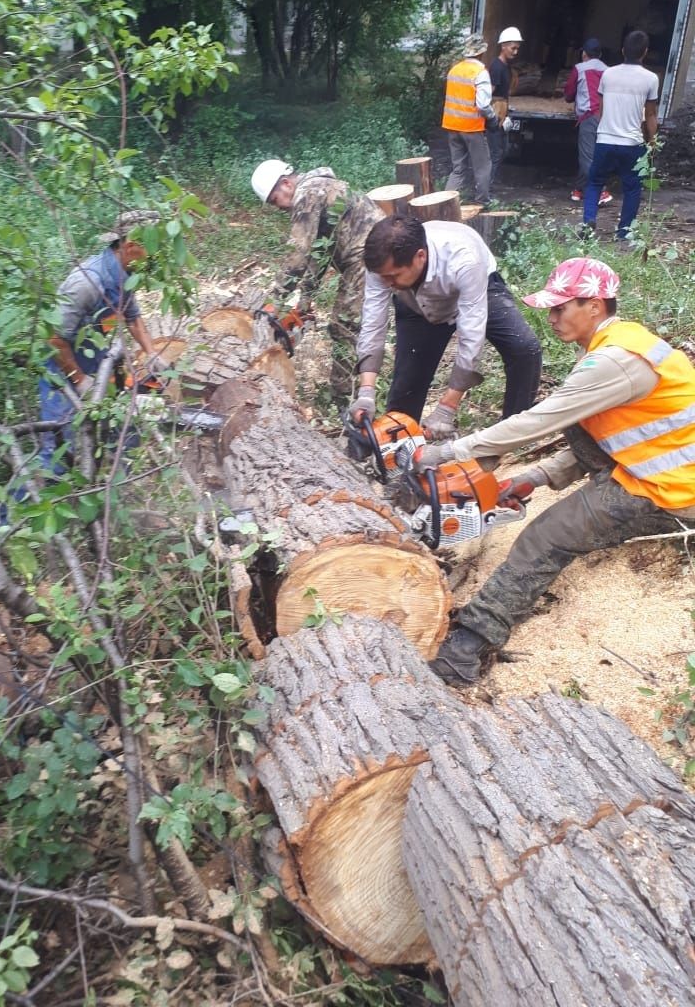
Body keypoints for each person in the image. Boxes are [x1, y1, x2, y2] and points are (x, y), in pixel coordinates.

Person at [416, 256, 695, 685]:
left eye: (560, 308)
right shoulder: (620, 345)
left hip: (672, 490)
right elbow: (606, 435)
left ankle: (467, 648)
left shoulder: (613, 362)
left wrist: (453, 451)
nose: (552, 318)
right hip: (659, 470)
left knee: (547, 536)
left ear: (595, 306)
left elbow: (536, 421)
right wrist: (538, 476)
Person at [349, 215, 542, 440]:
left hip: (476, 290)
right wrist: (366, 391)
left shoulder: (465, 260)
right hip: (416, 304)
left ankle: (510, 434)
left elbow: (472, 334)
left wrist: (447, 408)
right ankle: (397, 450)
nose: (386, 283)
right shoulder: (383, 267)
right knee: (406, 389)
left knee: (524, 348)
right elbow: (373, 322)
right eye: (383, 278)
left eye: (393, 276)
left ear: (420, 257)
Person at [39, 211, 168, 476]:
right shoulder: (87, 283)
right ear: (131, 246)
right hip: (62, 372)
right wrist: (80, 380)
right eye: (152, 247)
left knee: (119, 427)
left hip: (97, 362)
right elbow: (54, 339)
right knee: (61, 449)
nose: (155, 256)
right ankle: (46, 503)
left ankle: (115, 487)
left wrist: (152, 352)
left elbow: (133, 318)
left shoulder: (125, 276)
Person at [251, 159, 384, 405]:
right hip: (368, 252)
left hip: (369, 254)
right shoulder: (320, 188)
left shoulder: (308, 194)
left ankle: (344, 398)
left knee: (344, 325)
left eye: (274, 200)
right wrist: (305, 299)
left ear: (286, 183)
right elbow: (320, 251)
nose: (277, 207)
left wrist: (277, 301)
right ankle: (350, 387)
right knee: (351, 323)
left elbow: (298, 252)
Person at [583, 29, 659, 242]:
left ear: (623, 50)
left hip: (605, 139)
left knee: (595, 182)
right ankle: (624, 232)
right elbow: (650, 114)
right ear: (645, 52)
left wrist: (605, 127)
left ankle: (589, 221)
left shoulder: (609, 74)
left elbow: (600, 108)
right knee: (632, 188)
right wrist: (652, 142)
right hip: (632, 143)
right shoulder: (651, 79)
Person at [441, 33, 499, 207]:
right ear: (481, 53)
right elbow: (482, 104)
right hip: (472, 128)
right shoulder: (480, 72)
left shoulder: (454, 70)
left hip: (452, 126)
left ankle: (444, 203)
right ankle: (482, 202)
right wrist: (493, 118)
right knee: (482, 166)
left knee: (458, 169)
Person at [564, 37, 611, 206]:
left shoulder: (580, 68)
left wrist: (572, 98)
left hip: (589, 116)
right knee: (593, 154)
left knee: (586, 157)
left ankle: (601, 191)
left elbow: (569, 93)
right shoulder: (608, 70)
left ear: (584, 53)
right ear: (600, 54)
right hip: (606, 116)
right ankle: (579, 190)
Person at [487, 27, 520, 189]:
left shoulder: (506, 67)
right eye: (513, 48)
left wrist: (506, 112)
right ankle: (485, 188)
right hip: (494, 117)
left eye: (517, 48)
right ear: (503, 46)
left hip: (502, 115)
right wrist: (493, 116)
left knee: (503, 151)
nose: (515, 52)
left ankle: (489, 183)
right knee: (495, 153)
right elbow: (489, 95)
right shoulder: (496, 67)